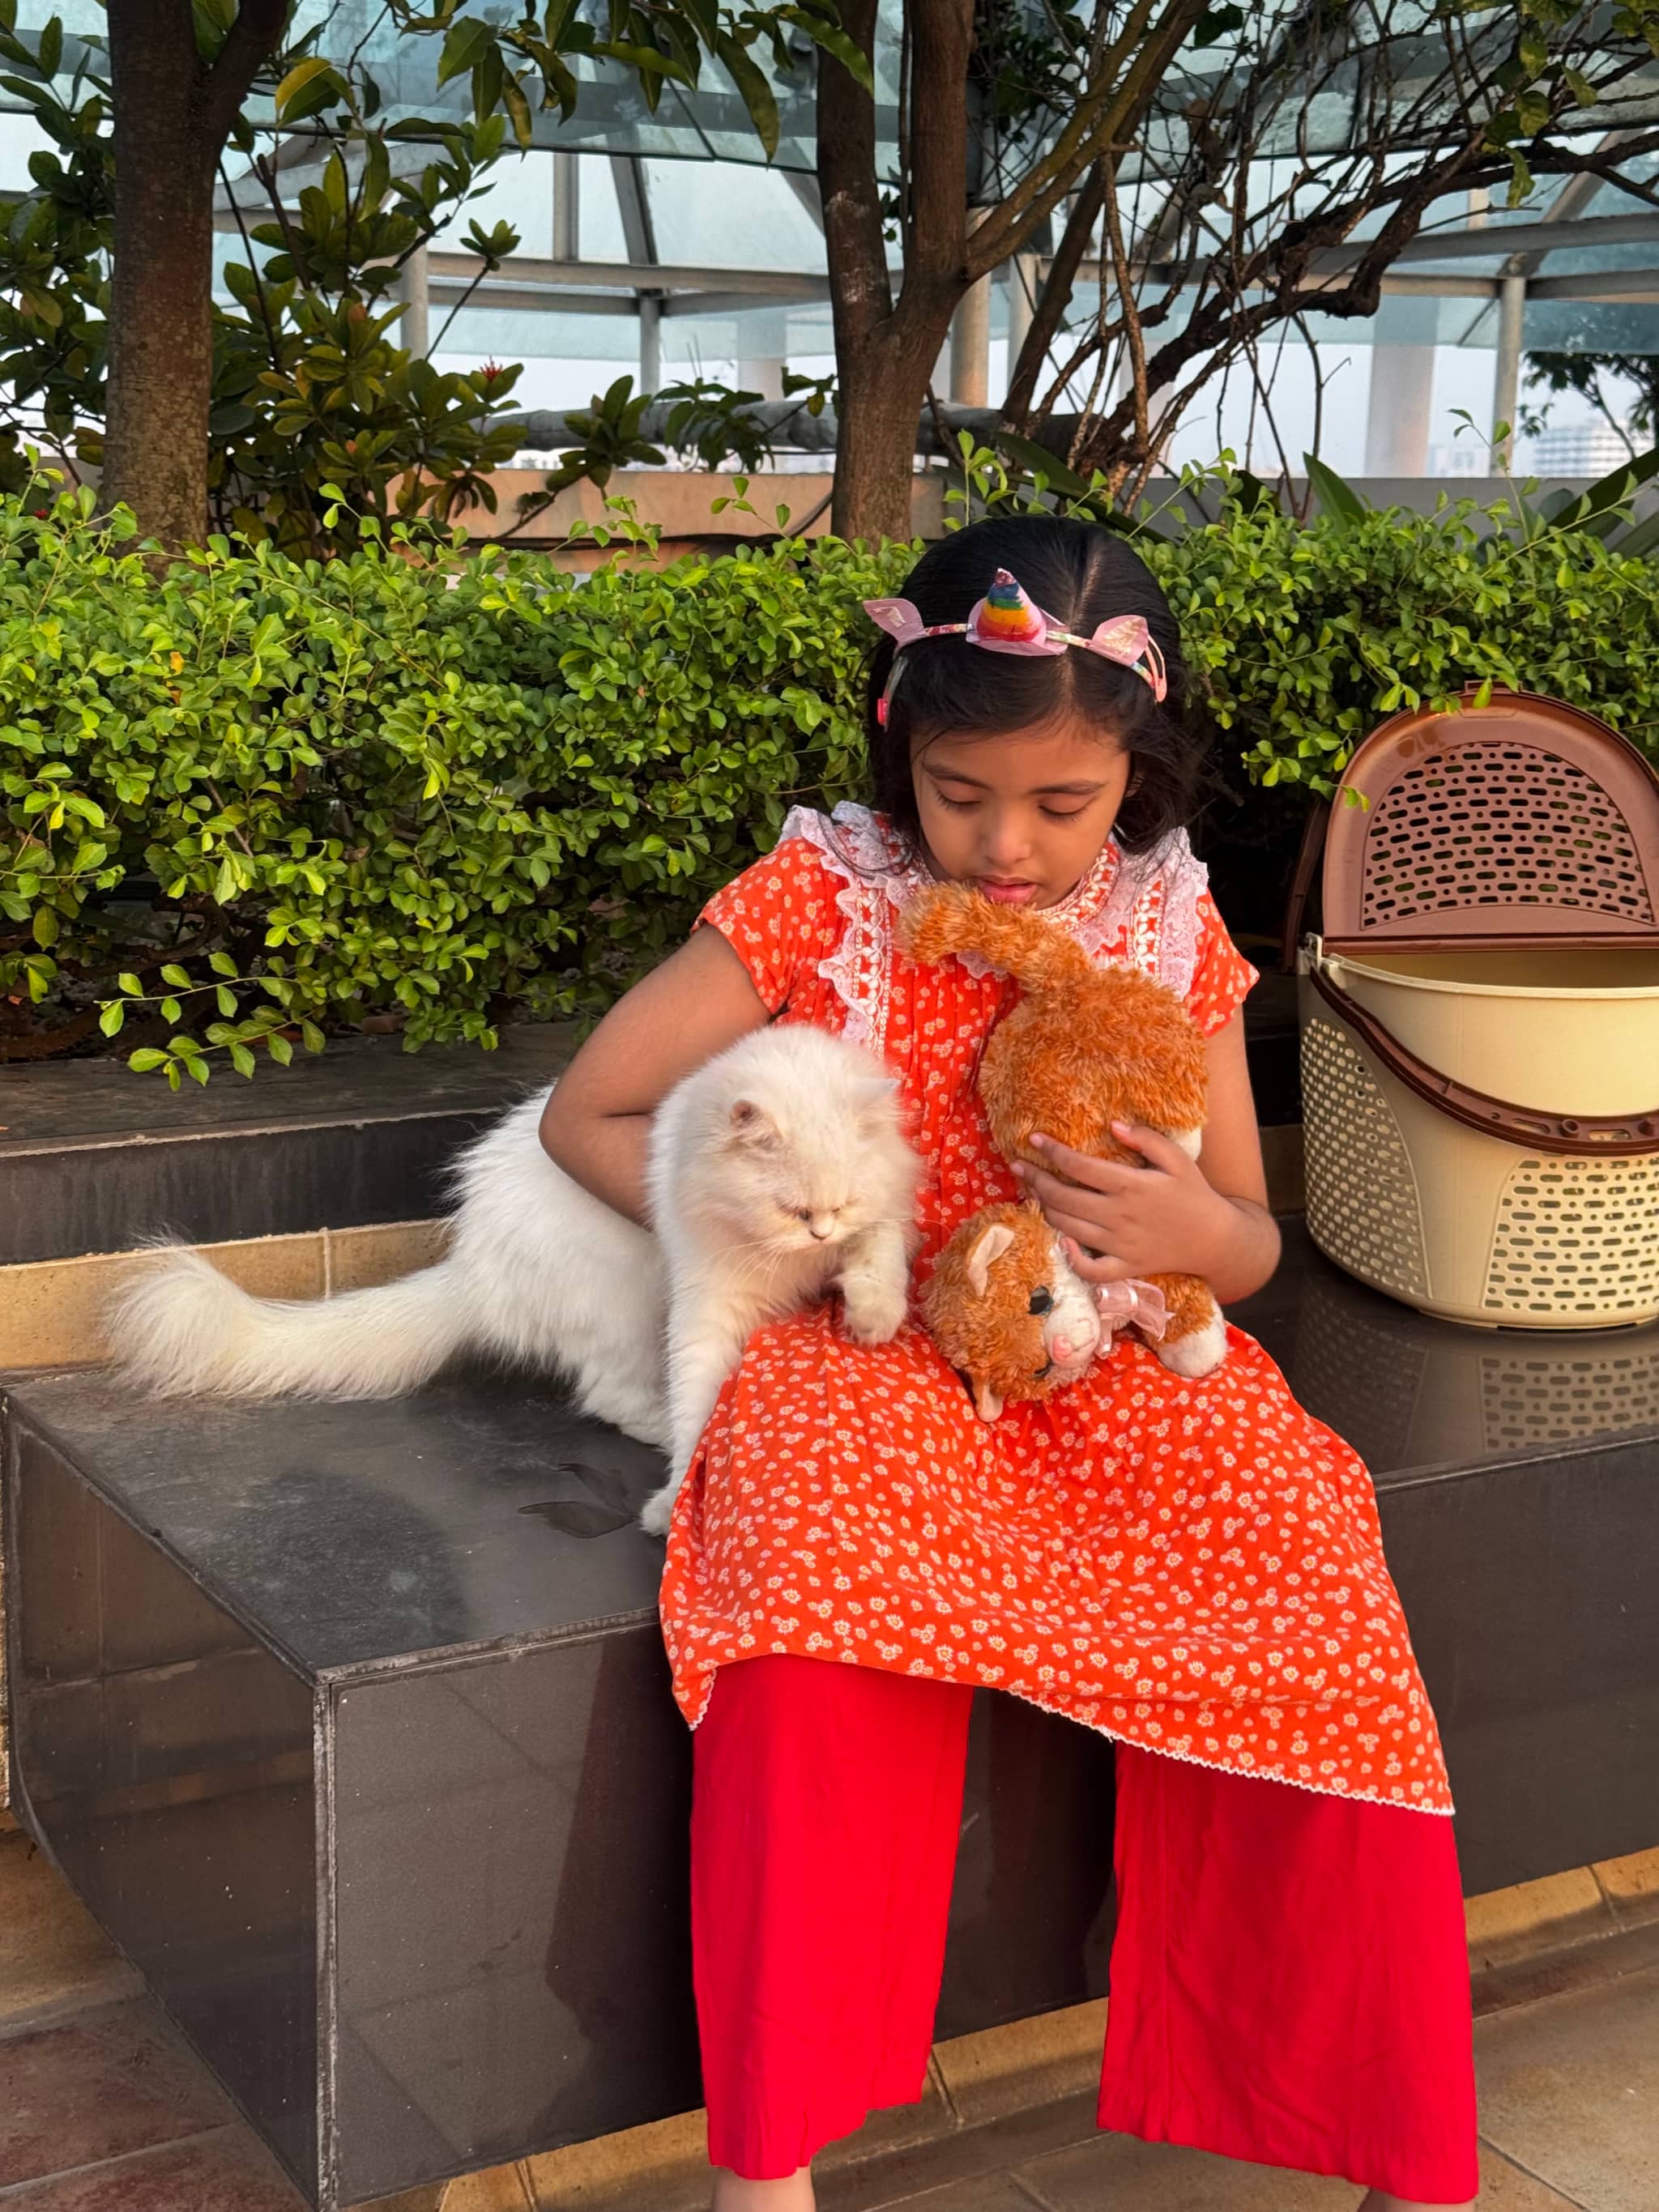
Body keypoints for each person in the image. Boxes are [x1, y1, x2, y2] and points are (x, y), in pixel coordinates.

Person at [539, 515, 1478, 2212]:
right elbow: (588, 1112)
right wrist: (792, 1258)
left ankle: (1392, 2147)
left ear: (1143, 761)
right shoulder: (824, 891)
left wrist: (1195, 1221)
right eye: (961, 792)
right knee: (802, 1606)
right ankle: (774, 2167)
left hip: (1110, 1358)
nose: (1004, 845)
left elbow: (1252, 1252)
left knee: (1316, 1562)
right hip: (870, 1345)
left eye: (1063, 803)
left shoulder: (1168, 930)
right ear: (902, 745)